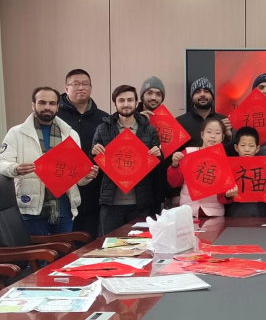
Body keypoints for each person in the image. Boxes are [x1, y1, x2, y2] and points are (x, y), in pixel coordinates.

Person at [0, 87, 98, 236]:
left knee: (64, 250)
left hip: (64, 208)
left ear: (57, 106)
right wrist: (15, 169)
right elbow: (2, 163)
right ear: (33, 105)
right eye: (42, 102)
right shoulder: (16, 133)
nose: (47, 107)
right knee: (37, 251)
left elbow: (76, 178)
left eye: (52, 103)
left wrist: (87, 176)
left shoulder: (70, 134)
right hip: (31, 207)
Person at [91, 85, 163, 236]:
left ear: (136, 102)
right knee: (109, 244)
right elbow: (93, 163)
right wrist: (93, 153)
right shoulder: (103, 129)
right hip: (111, 203)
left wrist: (158, 154)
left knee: (141, 244)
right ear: (115, 103)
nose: (126, 104)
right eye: (121, 100)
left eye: (130, 100)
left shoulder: (149, 130)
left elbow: (157, 165)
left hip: (141, 202)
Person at [56, 69, 108, 241]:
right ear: (66, 88)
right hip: (64, 187)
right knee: (65, 239)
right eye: (76, 84)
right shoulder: (55, 117)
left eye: (85, 84)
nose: (81, 88)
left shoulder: (104, 118)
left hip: (96, 186)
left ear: (91, 88)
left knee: (92, 238)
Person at [168, 119, 238, 217]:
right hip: (188, 210)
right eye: (209, 132)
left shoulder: (224, 160)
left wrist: (228, 195)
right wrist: (175, 165)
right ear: (202, 134)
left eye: (217, 133)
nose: (212, 136)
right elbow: (175, 183)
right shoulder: (187, 153)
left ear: (222, 137)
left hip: (214, 212)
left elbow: (223, 197)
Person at [224, 127, 266, 217]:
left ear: (257, 148)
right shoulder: (229, 167)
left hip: (260, 213)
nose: (247, 149)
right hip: (235, 213)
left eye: (251, 146)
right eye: (243, 145)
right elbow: (222, 197)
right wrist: (227, 195)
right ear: (236, 147)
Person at [136, 76, 167, 215]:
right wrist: (137, 122)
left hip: (156, 187)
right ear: (142, 96)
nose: (154, 97)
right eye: (149, 93)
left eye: (158, 94)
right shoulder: (128, 117)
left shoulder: (168, 123)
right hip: (133, 188)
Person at [176, 77, 233, 148]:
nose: (202, 94)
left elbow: (234, 151)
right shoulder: (179, 122)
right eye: (197, 92)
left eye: (206, 91)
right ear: (192, 98)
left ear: (212, 96)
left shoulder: (224, 121)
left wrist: (229, 137)